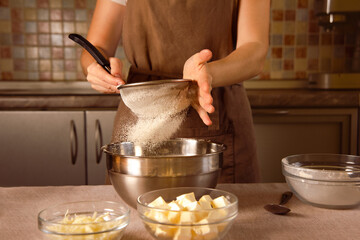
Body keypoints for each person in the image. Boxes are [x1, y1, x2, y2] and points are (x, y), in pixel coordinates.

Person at [80, 0, 270, 183]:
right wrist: (95, 66)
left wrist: (209, 73)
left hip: (214, 105)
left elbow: (255, 48)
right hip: (141, 110)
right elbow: (98, 45)